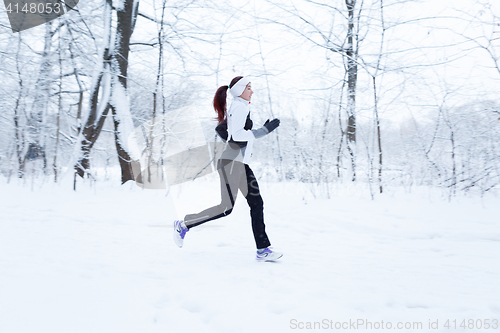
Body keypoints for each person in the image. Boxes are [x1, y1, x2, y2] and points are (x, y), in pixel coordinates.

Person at [173, 76, 282, 261]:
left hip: (238, 163)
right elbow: (238, 134)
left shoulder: (239, 106)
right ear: (240, 90)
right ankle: (183, 225)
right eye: (248, 87)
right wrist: (265, 130)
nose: (252, 91)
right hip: (232, 163)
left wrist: (252, 133)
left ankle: (263, 249)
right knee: (226, 208)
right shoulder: (239, 106)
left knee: (256, 204)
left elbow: (226, 131)